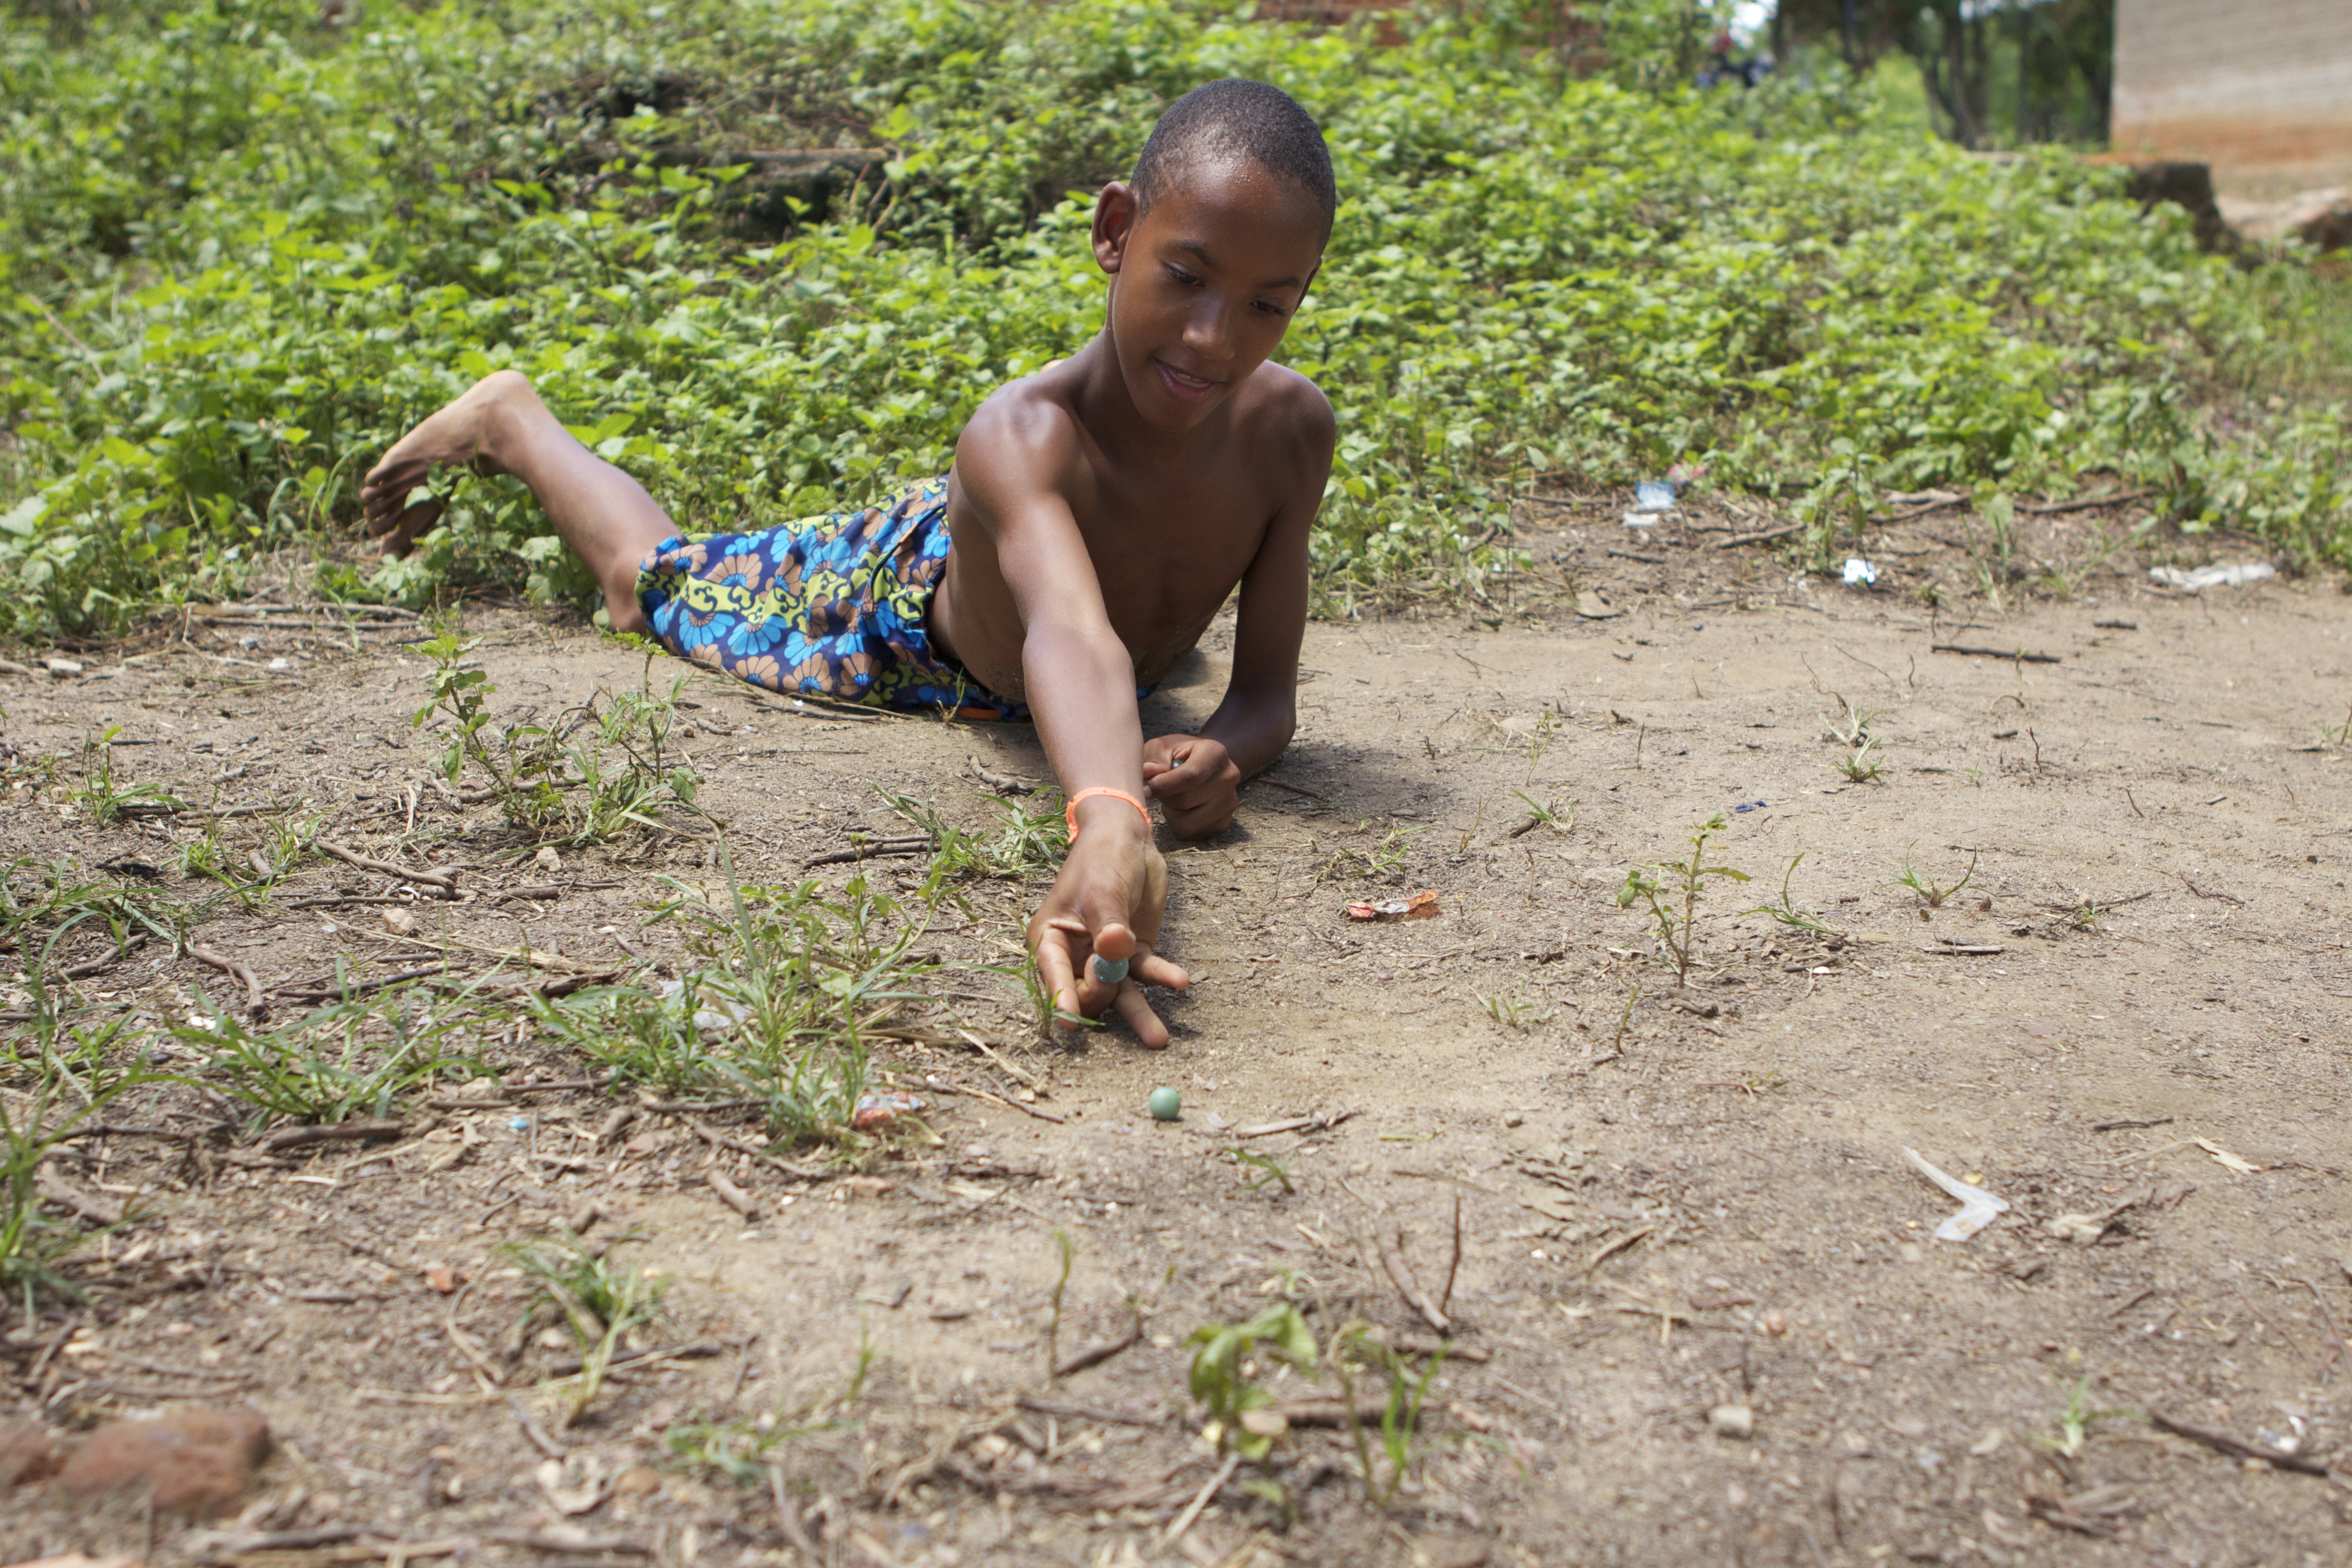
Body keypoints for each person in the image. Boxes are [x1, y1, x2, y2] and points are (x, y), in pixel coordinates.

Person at [358, 79, 1338, 1051]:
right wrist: (1114, 823)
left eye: (1266, 303)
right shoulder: (1023, 436)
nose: (1215, 337)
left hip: (1034, 590)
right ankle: (513, 420)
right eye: (1186, 277)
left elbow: (1263, 699)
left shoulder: (1289, 435)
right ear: (1116, 232)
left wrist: (1228, 752)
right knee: (646, 584)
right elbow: (1074, 635)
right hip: (893, 609)